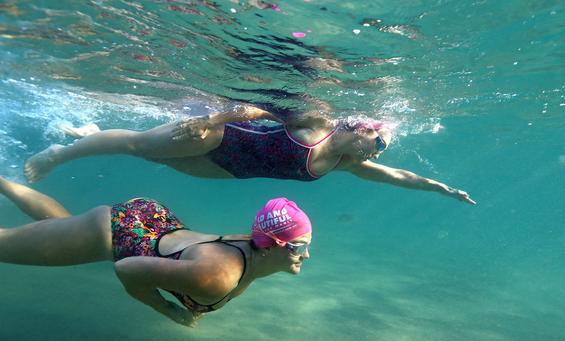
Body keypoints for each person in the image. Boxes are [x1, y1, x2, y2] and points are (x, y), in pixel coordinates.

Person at [0, 176, 313, 327]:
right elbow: (127, 269)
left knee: (61, 226)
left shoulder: (251, 244)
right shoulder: (218, 276)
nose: (307, 254)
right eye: (301, 246)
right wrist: (170, 311)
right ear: (272, 245)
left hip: (154, 220)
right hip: (116, 232)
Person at [24, 103, 476, 204]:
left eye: (383, 148)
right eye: (379, 142)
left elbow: (396, 177)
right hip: (222, 138)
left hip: (226, 171)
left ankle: (88, 132)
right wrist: (215, 119)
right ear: (361, 129)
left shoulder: (344, 162)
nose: (379, 151)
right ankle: (61, 152)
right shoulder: (317, 123)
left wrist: (440, 187)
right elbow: (263, 105)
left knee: (150, 156)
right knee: (139, 144)